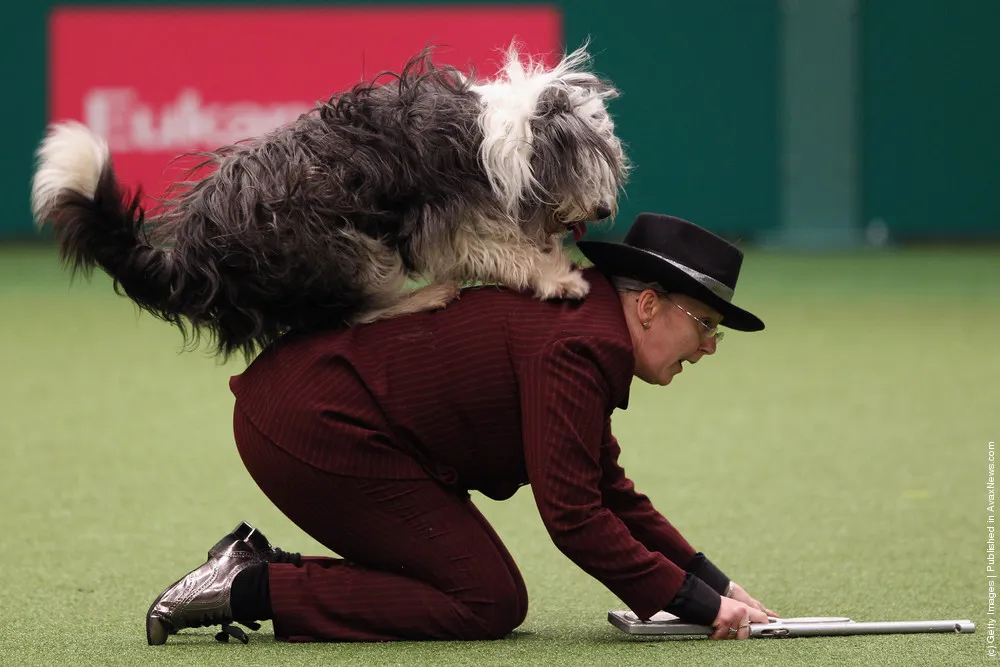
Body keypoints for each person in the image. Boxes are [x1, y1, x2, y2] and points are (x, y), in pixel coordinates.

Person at [146, 212, 778, 646]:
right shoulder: (579, 344)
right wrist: (700, 606)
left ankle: (252, 571)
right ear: (647, 305)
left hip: (321, 413)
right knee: (485, 599)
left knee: (486, 592)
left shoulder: (587, 327)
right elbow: (575, 517)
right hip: (313, 424)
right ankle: (249, 587)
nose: (709, 346)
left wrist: (715, 584)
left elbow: (606, 489)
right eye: (706, 324)